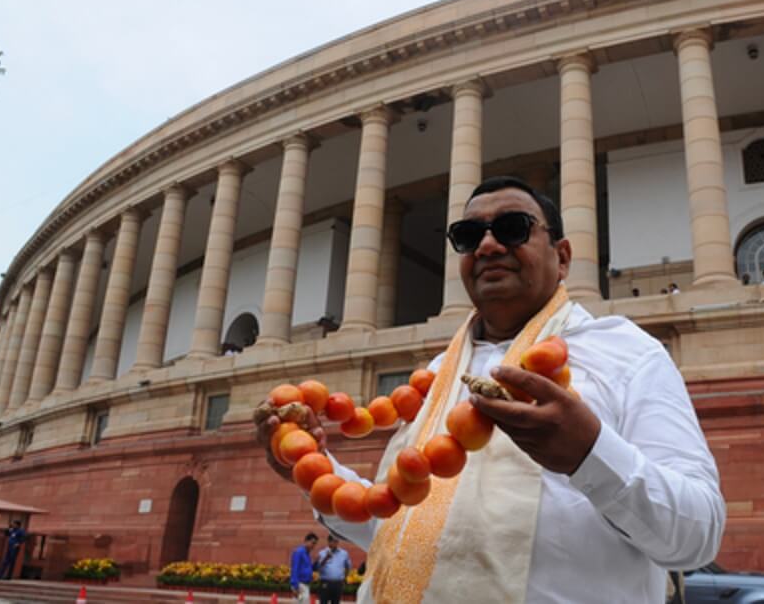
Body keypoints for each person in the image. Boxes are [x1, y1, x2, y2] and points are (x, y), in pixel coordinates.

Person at [256, 176, 725, 603]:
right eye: (468, 235)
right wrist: (313, 467)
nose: (487, 245)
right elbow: (402, 529)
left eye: (513, 228)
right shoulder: (439, 373)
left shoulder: (625, 353)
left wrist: (590, 454)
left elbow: (697, 535)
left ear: (561, 257)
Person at [315, 535, 351, 604]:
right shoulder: (322, 553)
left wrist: (345, 578)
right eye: (334, 541)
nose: (336, 543)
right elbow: (318, 568)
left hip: (338, 583)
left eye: (337, 541)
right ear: (328, 542)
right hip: (325, 583)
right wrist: (326, 558)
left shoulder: (344, 553)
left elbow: (348, 567)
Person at [290, 532, 318, 603]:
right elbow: (295, 569)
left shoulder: (307, 554)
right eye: (312, 543)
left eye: (315, 544)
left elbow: (310, 568)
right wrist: (295, 586)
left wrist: (316, 562)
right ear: (306, 541)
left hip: (306, 585)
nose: (313, 546)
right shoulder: (299, 552)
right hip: (300, 585)